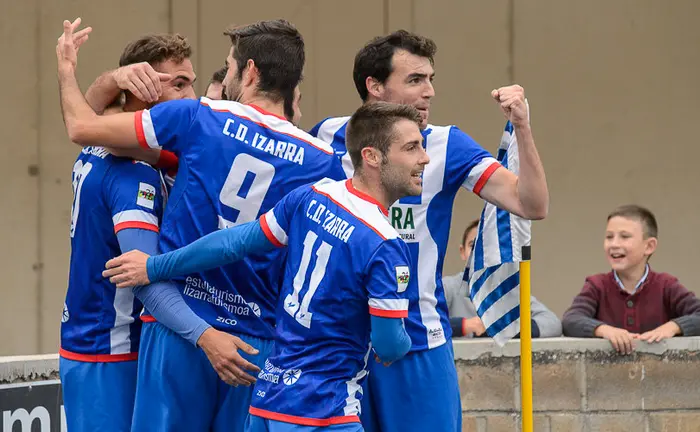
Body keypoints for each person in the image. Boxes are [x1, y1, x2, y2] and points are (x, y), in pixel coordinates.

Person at [56, 17, 344, 431]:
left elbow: (84, 127)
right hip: (253, 345)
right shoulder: (325, 164)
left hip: (179, 329)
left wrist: (69, 69)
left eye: (228, 66)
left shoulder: (201, 118)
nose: (220, 78)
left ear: (250, 72)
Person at [104, 102, 424, 431]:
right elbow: (389, 344)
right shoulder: (386, 244)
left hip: (269, 398)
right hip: (323, 410)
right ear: (371, 156)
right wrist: (401, 343)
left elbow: (231, 243)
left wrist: (155, 267)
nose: (424, 158)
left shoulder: (312, 196)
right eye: (412, 147)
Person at [310, 30, 549, 432]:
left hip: (418, 341)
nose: (430, 92)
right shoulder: (327, 134)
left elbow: (532, 205)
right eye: (415, 80)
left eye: (431, 79)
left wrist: (522, 128)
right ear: (374, 86)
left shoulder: (446, 144)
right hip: (341, 344)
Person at [57, 26, 203, 432]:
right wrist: (206, 337)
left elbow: (86, 113)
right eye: (179, 84)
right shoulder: (132, 174)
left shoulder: (103, 138)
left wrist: (86, 74)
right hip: (111, 349)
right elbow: (140, 273)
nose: (191, 98)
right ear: (143, 86)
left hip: (92, 341)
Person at [561, 205, 700, 354]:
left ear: (649, 246)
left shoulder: (666, 285)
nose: (614, 244)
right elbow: (571, 320)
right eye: (609, 237)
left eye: (625, 237)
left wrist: (673, 327)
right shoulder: (597, 285)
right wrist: (605, 331)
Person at [444, 219, 562, 338]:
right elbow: (426, 323)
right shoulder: (448, 286)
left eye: (487, 246)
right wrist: (464, 325)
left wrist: (508, 329)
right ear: (462, 252)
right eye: (472, 245)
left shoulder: (508, 290)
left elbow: (552, 323)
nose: (479, 252)